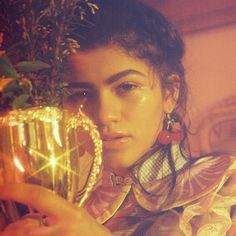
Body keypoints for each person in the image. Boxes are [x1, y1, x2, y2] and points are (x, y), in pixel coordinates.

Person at [1, 0, 236, 235]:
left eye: (127, 87)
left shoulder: (223, 192)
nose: (104, 115)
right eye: (80, 94)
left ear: (170, 93)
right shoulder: (63, 204)